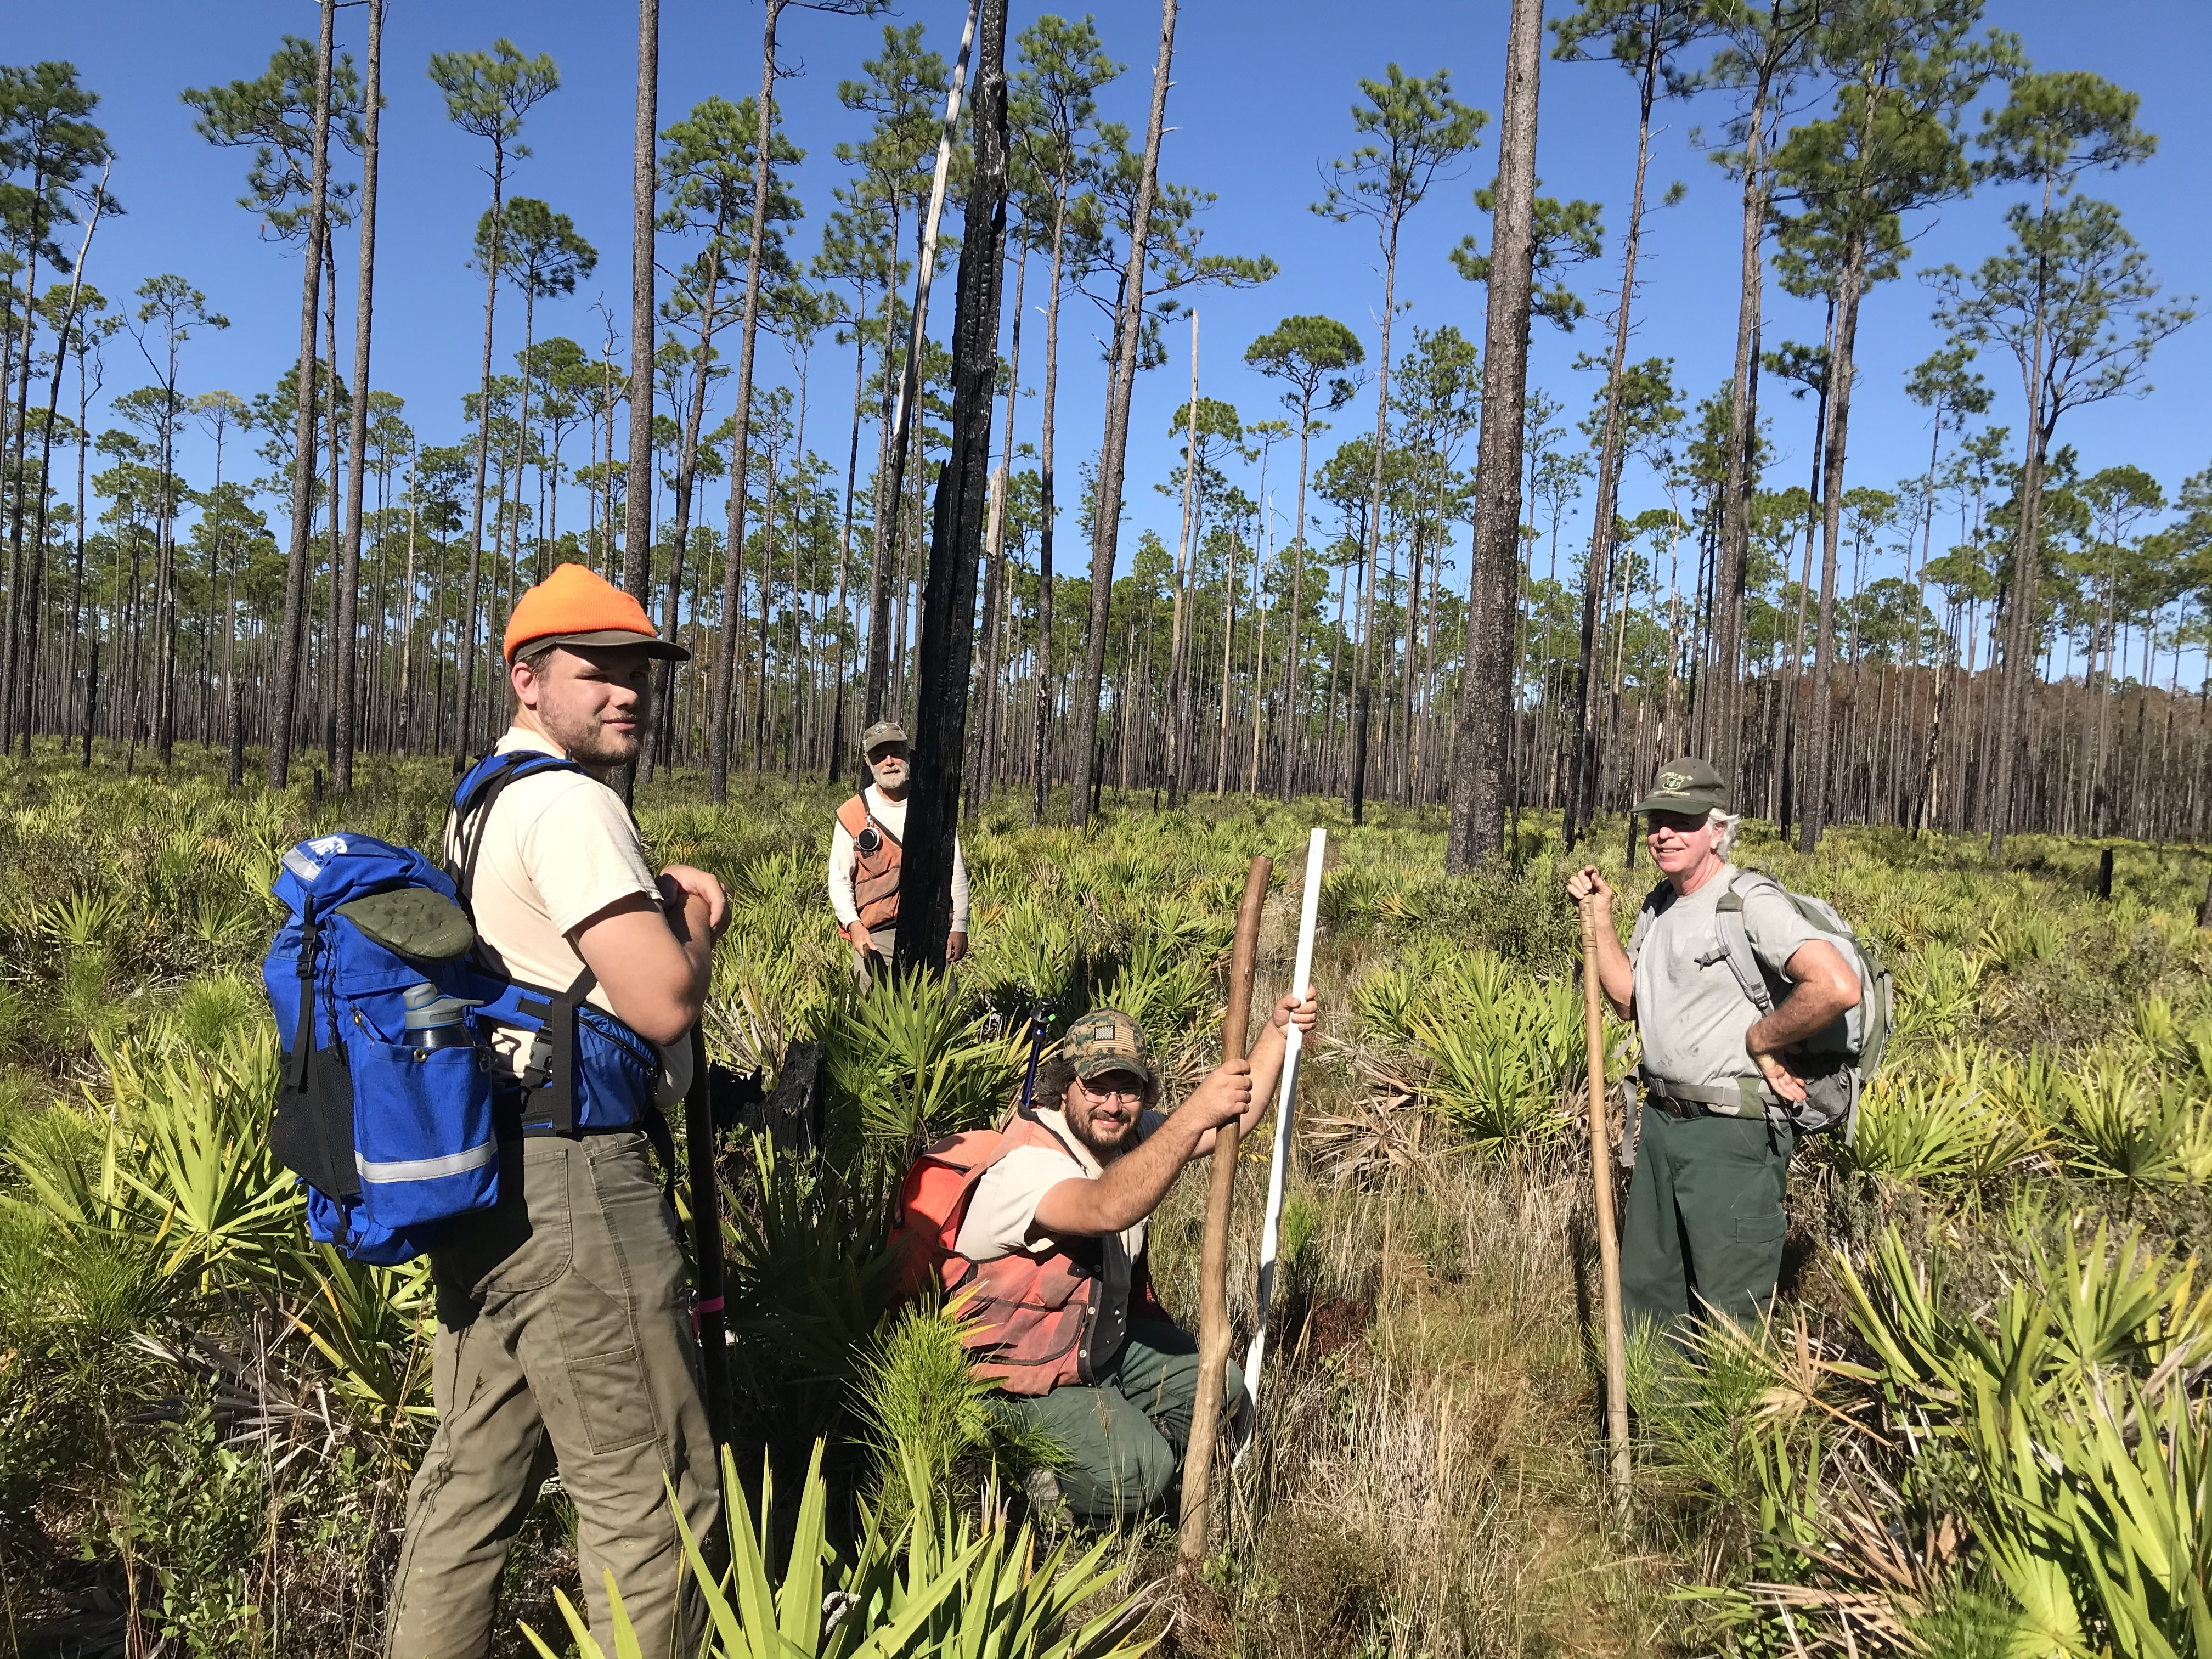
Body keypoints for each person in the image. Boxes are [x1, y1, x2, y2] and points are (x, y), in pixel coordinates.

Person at [386, 563, 727, 1659]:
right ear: (529, 679)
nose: (628, 691)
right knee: (655, 1504)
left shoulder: (481, 798)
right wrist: (698, 922)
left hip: (489, 1173)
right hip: (576, 1188)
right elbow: (664, 1000)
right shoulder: (573, 803)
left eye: (639, 672)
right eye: (600, 671)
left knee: (472, 1479)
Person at [951, 997, 1317, 1526]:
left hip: (1099, 1350)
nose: (1113, 1104)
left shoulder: (1123, 1134)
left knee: (1224, 1391)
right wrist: (1195, 1112)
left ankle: (1111, 1443)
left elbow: (1232, 1115)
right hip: (1022, 1379)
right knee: (1145, 1471)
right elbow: (1106, 1205)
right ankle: (1027, 1478)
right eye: (1097, 1085)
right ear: (1065, 1085)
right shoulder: (1027, 1165)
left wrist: (1277, 1033)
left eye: (1129, 1088)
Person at [1566, 757, 1861, 1335]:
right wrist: (1600, 918)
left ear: (1718, 830)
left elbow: (1835, 985)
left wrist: (1762, 1037)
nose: (1664, 833)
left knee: (1732, 1311)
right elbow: (1630, 1002)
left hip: (1732, 1135)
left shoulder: (1749, 901)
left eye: (1684, 819)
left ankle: (1728, 1424)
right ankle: (1658, 1422)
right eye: (1656, 821)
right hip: (1660, 1124)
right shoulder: (1659, 905)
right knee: (1650, 1298)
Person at [828, 720, 968, 973]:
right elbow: (839, 879)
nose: (889, 762)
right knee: (877, 1010)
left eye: (896, 752)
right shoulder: (853, 813)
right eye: (880, 756)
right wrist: (854, 926)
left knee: (942, 1008)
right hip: (877, 936)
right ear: (867, 761)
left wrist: (959, 925)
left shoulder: (932, 807)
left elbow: (955, 868)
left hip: (932, 931)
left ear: (907, 753)